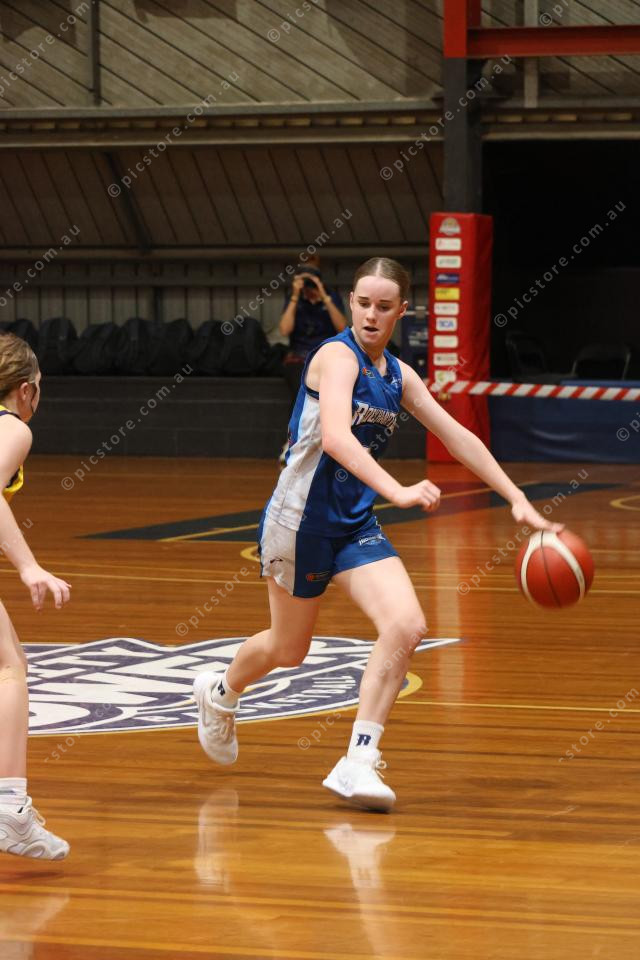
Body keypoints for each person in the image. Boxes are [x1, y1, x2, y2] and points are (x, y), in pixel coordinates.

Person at [193, 257, 563, 812]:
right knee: (288, 649)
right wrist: (398, 490)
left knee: (407, 625)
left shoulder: (398, 375)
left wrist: (516, 497)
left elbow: (457, 434)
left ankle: (358, 761)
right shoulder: (335, 357)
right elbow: (337, 438)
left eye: (384, 306)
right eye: (363, 303)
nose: (371, 314)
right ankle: (221, 694)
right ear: (351, 302)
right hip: (299, 522)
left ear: (401, 311)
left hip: (354, 525)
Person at [0, 333, 71, 859]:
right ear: (26, 390)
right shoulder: (12, 427)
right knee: (9, 669)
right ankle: (10, 811)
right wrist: (28, 566)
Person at [278, 255, 347, 462]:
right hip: (299, 358)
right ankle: (293, 442)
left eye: (312, 277)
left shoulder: (331, 296)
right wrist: (295, 296)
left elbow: (343, 328)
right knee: (301, 390)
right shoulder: (294, 299)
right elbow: (284, 329)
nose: (308, 283)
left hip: (326, 356)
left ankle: (329, 443)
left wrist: (324, 296)